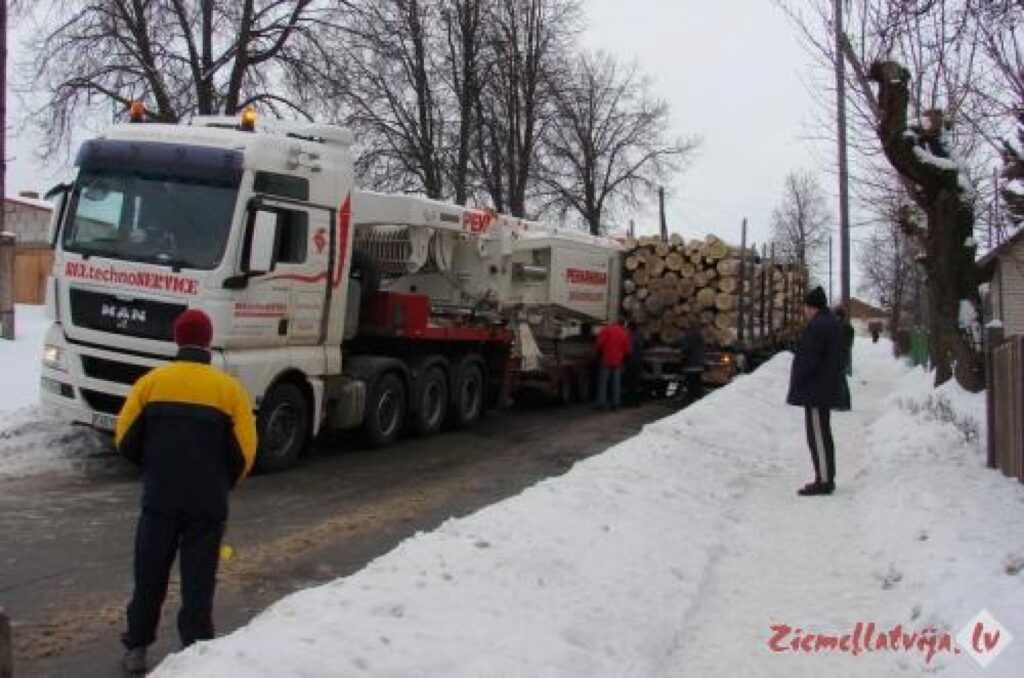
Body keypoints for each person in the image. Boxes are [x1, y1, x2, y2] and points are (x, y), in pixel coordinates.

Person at [115, 309, 257, 673]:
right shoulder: (229, 390)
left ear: (177, 339)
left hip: (160, 497)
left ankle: (137, 648)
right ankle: (195, 650)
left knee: (149, 575)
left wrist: (154, 469)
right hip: (206, 503)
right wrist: (223, 484)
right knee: (198, 580)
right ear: (207, 342)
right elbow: (245, 451)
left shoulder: (151, 383)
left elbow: (125, 439)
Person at [786, 286, 850, 497]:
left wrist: (799, 380)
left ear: (811, 307)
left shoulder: (819, 326)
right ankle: (824, 477)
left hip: (816, 389)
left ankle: (823, 480)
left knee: (818, 436)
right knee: (821, 433)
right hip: (822, 387)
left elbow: (808, 359)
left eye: (805, 306)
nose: (803, 311)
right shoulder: (829, 323)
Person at [594, 317, 631, 410]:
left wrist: (597, 353)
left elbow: (599, 343)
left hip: (606, 359)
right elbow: (627, 350)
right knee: (616, 383)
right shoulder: (625, 333)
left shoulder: (606, 330)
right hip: (618, 360)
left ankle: (601, 403)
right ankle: (616, 403)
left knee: (603, 382)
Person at [678, 325, 706, 405]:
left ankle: (690, 399)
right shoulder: (699, 335)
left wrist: (682, 358)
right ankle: (699, 397)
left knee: (690, 383)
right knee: (697, 381)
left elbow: (685, 349)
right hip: (698, 364)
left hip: (690, 365)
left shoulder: (686, 337)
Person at [622, 321, 645, 407]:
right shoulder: (639, 336)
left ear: (630, 328)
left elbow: (626, 349)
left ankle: (629, 401)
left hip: (630, 361)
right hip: (638, 361)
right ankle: (636, 402)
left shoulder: (628, 335)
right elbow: (642, 345)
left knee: (629, 382)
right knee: (636, 382)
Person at [835, 307, 855, 376]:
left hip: (841, 355)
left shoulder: (840, 327)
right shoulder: (848, 327)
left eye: (836, 316)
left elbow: (845, 343)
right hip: (845, 354)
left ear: (839, 316)